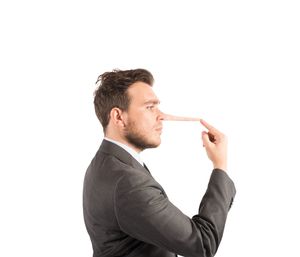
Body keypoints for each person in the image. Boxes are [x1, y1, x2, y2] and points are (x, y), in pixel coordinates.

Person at [83, 68, 236, 257]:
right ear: (118, 117)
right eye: (149, 107)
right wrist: (220, 166)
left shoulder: (106, 161)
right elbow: (202, 244)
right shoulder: (127, 181)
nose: (161, 115)